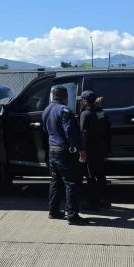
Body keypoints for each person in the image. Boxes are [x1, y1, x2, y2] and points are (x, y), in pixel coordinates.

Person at [42, 86, 88, 224]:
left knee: (55, 181)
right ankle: (72, 215)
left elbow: (45, 129)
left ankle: (53, 211)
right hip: (64, 152)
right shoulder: (64, 110)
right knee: (71, 183)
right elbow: (70, 132)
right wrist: (81, 149)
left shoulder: (47, 110)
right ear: (65, 96)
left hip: (52, 150)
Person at [78, 90, 111, 210]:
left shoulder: (85, 114)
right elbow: (107, 130)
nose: (80, 102)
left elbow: (83, 134)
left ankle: (93, 203)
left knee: (90, 177)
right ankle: (106, 201)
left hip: (90, 150)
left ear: (85, 101)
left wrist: (82, 151)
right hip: (101, 148)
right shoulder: (101, 112)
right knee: (101, 176)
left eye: (82, 100)